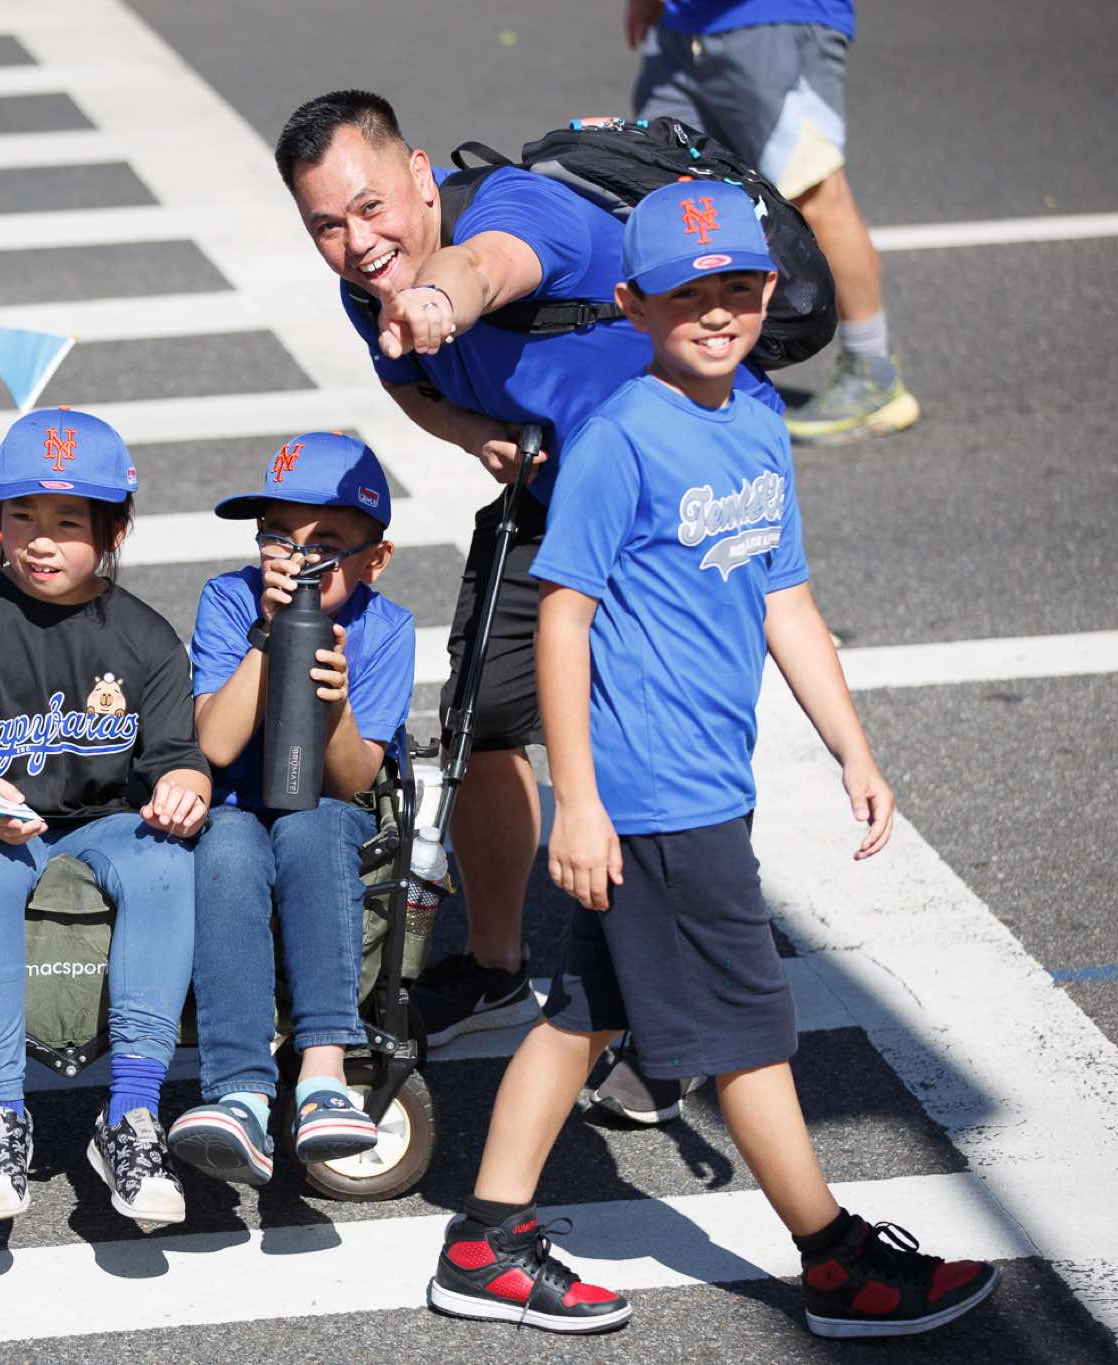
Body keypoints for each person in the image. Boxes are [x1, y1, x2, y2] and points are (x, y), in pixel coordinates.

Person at [425, 183, 998, 1339]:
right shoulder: (617, 438)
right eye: (687, 294)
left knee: (581, 1012)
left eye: (737, 286)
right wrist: (578, 802)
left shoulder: (753, 417)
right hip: (655, 798)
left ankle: (484, 1244)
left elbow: (784, 594)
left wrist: (851, 747)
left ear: (769, 291)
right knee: (746, 1037)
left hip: (702, 782)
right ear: (631, 305)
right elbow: (564, 617)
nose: (717, 310)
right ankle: (833, 1263)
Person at [277, 91, 783, 1060]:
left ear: (419, 174)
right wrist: (478, 435)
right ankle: (497, 967)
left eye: (371, 207)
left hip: (669, 503)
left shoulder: (518, 211)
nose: (357, 242)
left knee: (659, 742)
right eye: (327, 226)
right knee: (486, 715)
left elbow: (480, 270)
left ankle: (680, 998)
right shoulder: (366, 284)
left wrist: (436, 302)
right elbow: (409, 384)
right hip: (555, 495)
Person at [0, 408, 210, 1229]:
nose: (40, 541)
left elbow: (177, 754)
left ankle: (131, 1113)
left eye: (68, 522)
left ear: (114, 530)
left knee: (166, 861)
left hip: (104, 816)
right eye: (22, 516)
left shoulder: (144, 635)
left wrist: (185, 787)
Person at [166, 432, 416, 1187]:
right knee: (229, 848)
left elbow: (352, 778)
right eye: (279, 537)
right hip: (236, 801)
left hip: (326, 806)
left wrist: (336, 706)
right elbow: (215, 742)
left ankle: (323, 1072)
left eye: (326, 545)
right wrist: (267, 638)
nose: (297, 559)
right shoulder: (230, 598)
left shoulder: (387, 627)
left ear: (375, 558)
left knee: (312, 831)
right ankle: (240, 1090)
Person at [625, 0, 917, 444]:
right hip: (681, 28)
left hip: (773, 19)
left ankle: (872, 372)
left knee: (813, 190)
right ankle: (701, 380)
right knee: (675, 191)